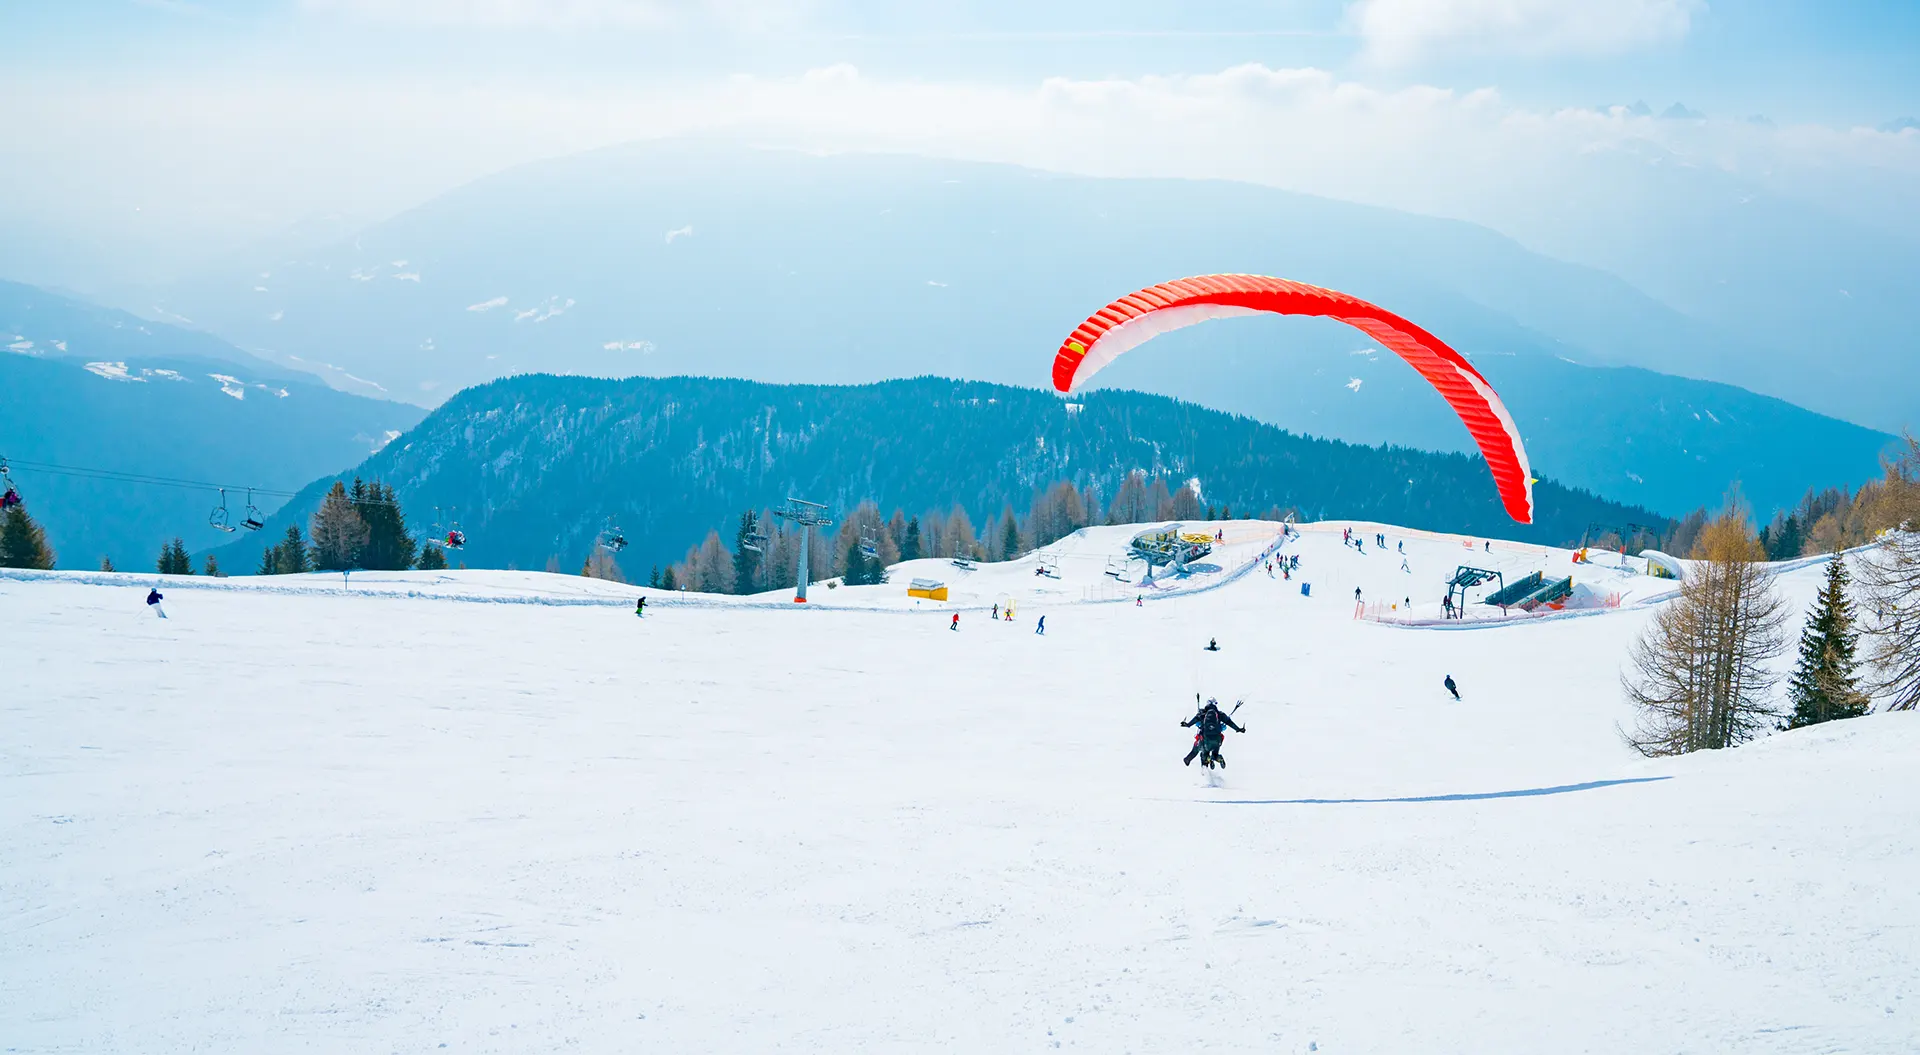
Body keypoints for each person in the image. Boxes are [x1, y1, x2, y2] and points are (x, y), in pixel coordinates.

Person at [1181, 697, 1245, 768]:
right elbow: (1229, 722)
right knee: (1215, 754)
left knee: (1198, 750)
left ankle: (1191, 760)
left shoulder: (1203, 713)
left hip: (1205, 740)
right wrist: (1238, 729)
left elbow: (1196, 719)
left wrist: (1188, 724)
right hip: (1217, 740)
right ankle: (1217, 758)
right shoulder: (1219, 714)